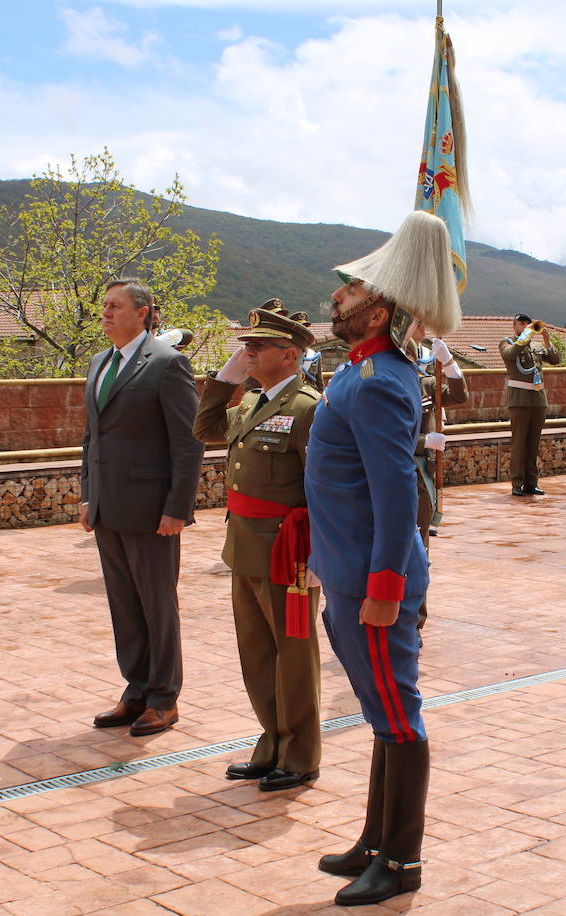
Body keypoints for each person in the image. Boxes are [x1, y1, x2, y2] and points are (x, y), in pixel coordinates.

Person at [308, 211, 459, 907]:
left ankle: (403, 861)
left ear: (381, 310)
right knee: (379, 711)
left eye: (351, 291)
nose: (335, 297)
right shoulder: (359, 372)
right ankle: (375, 840)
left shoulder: (376, 382)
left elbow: (400, 497)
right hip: (348, 570)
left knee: (398, 715)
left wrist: (386, 586)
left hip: (375, 580)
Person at [193, 300, 324, 791]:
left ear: (290, 355)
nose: (246, 351)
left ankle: (301, 754)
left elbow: (324, 487)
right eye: (245, 345)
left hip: (288, 554)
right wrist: (227, 378)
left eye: (257, 346)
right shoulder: (251, 401)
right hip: (244, 548)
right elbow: (203, 428)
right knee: (257, 654)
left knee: (293, 657)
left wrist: (320, 557)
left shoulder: (307, 409)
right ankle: (271, 743)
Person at [83, 278, 203, 736]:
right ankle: (135, 690)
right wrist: (88, 495)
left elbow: (187, 443)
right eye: (105, 306)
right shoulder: (99, 363)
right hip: (108, 506)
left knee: (157, 603)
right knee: (124, 605)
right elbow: (90, 437)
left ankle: (163, 698)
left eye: (115, 306)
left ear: (143, 312)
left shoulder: (168, 363)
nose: (106, 313)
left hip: (153, 510)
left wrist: (178, 508)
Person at [413, 328, 468, 638]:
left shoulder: (427, 384)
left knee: (418, 551)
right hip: (385, 475)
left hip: (420, 477)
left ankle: (414, 622)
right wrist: (423, 441)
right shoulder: (377, 384)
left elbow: (459, 396)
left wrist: (448, 364)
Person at [500, 313, 560, 495]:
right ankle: (517, 482)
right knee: (519, 443)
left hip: (537, 398)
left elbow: (555, 360)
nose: (525, 326)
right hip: (519, 398)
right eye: (522, 323)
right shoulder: (507, 342)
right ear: (514, 326)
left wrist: (548, 342)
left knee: (533, 443)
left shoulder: (536, 345)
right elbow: (509, 355)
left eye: (528, 324)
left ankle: (531, 482)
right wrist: (523, 339)